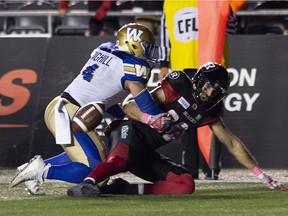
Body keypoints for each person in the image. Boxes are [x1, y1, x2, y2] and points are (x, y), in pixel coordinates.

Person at [67, 62, 287, 197]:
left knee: (185, 184)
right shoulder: (178, 84)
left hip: (145, 151)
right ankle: (87, 184)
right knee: (119, 161)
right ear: (198, 81)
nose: (209, 93)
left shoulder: (210, 111)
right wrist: (150, 118)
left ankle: (124, 189)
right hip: (129, 130)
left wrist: (262, 176)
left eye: (216, 90)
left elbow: (231, 143)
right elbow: (129, 106)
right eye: (207, 86)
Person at [10, 23, 171, 195]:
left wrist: (126, 117)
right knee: (97, 173)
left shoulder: (105, 50)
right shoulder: (131, 65)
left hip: (61, 106)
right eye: (145, 46)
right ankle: (41, 172)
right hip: (73, 114)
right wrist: (161, 118)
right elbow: (145, 104)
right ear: (133, 44)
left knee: (93, 157)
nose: (148, 52)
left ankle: (36, 169)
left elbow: (105, 98)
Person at [158, 1, 238, 180]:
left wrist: (226, 11)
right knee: (185, 120)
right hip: (184, 67)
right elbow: (165, 31)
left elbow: (231, 27)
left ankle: (211, 167)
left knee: (212, 120)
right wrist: (163, 63)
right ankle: (190, 168)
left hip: (211, 69)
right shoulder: (171, 2)